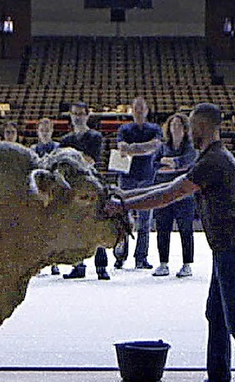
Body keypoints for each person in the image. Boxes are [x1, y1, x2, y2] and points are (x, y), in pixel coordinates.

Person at [105, 103, 235, 382]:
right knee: (217, 314)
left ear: (205, 128)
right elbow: (168, 186)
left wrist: (124, 204)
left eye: (193, 127)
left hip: (234, 247)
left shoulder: (215, 160)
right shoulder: (212, 157)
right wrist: (124, 198)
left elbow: (170, 194)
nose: (190, 132)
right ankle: (219, 379)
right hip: (228, 246)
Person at [60, 102, 110, 281]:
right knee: (75, 226)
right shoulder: (65, 140)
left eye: (81, 114)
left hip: (91, 184)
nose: (78, 117)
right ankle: (77, 265)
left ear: (87, 116)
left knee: (96, 222)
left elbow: (90, 160)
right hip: (73, 187)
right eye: (75, 114)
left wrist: (71, 156)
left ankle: (101, 266)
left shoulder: (95, 137)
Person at [116, 97, 163, 269]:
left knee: (145, 220)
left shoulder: (155, 128)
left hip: (147, 176)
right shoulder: (124, 128)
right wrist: (143, 148)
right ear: (132, 110)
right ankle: (120, 256)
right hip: (126, 177)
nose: (139, 111)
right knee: (123, 219)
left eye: (142, 108)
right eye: (136, 108)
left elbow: (155, 146)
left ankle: (141, 257)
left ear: (147, 110)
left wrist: (132, 148)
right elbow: (122, 148)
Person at [151, 113, 197, 278]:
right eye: (173, 125)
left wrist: (172, 163)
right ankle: (163, 263)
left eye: (179, 125)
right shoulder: (162, 147)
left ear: (185, 129)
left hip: (185, 195)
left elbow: (189, 162)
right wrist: (176, 165)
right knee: (163, 228)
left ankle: (187, 264)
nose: (175, 128)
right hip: (164, 192)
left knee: (186, 229)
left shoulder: (191, 147)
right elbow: (155, 165)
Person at [30, 118, 61, 275]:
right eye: (42, 130)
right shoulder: (33, 149)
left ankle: (54, 262)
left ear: (52, 131)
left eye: (47, 130)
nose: (45, 132)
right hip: (38, 193)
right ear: (38, 132)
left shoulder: (58, 147)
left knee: (54, 228)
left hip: (53, 192)